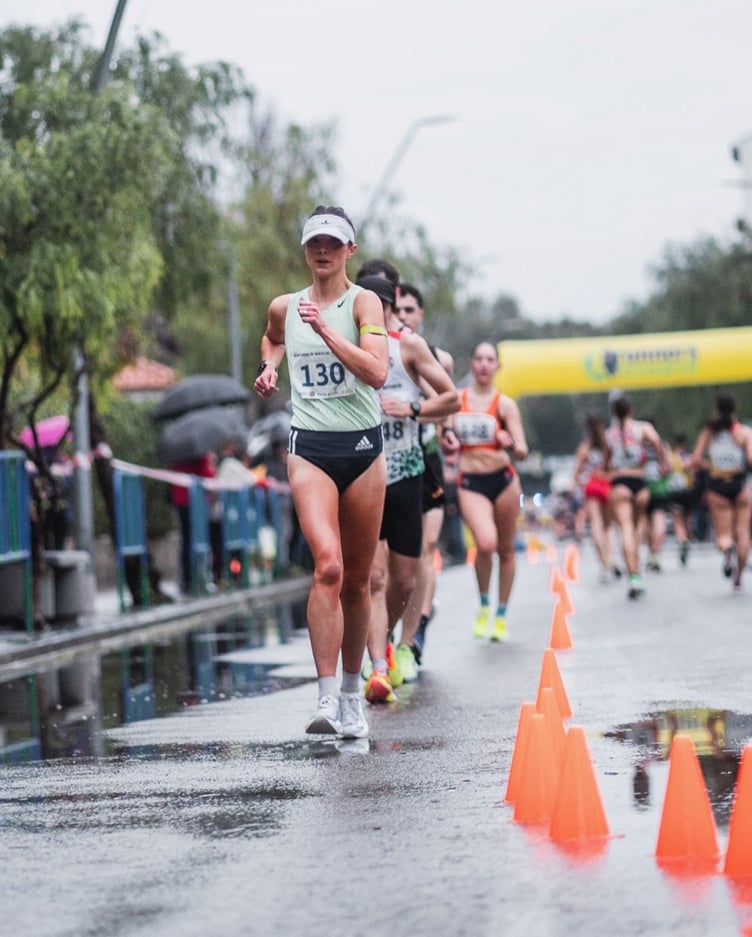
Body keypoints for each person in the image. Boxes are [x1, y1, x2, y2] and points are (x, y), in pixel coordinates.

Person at [254, 205, 389, 739]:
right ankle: (326, 698)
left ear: (350, 250)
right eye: (315, 242)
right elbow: (273, 338)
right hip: (309, 447)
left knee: (357, 580)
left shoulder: (364, 302)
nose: (323, 250)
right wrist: (269, 366)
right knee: (328, 566)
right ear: (305, 250)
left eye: (333, 242)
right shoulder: (285, 306)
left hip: (362, 448)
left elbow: (376, 372)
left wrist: (327, 331)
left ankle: (353, 694)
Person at [357, 274, 459, 702]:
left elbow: (451, 399)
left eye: (379, 305)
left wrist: (412, 408)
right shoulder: (348, 347)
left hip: (408, 473)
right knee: (374, 577)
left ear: (389, 306)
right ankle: (378, 665)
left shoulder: (409, 347)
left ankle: (393, 640)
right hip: (364, 472)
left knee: (403, 579)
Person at [443, 341, 528, 642]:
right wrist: (449, 442)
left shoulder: (505, 405)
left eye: (489, 359)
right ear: (471, 363)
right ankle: (483, 604)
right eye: (478, 358)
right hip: (470, 481)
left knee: (506, 549)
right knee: (486, 543)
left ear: (497, 366)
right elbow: (444, 436)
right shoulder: (457, 399)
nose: (483, 364)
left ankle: (501, 615)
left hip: (503, 480)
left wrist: (509, 442)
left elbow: (523, 451)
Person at [395, 282, 455, 667]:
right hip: (392, 458)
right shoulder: (380, 350)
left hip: (427, 456)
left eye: (409, 310)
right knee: (398, 556)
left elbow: (447, 403)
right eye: (397, 309)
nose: (402, 316)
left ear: (421, 314)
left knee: (425, 547)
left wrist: (446, 431)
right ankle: (395, 628)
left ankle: (418, 626)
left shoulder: (439, 358)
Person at [605, 391, 667, 600]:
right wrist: (662, 463)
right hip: (640, 483)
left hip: (620, 484)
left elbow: (606, 463)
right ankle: (638, 561)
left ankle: (633, 576)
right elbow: (657, 442)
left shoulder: (609, 435)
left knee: (625, 529)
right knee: (639, 525)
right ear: (631, 410)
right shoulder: (643, 428)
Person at [690, 391, 752, 590]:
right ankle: (738, 576)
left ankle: (728, 549)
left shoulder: (709, 432)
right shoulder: (744, 433)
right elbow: (751, 459)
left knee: (724, 535)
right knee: (743, 532)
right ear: (736, 408)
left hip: (717, 487)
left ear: (717, 409)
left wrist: (710, 465)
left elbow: (696, 460)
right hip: (739, 485)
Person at [573, 413, 617, 583]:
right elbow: (614, 468)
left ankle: (604, 564)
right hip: (607, 485)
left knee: (596, 525)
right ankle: (611, 558)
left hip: (591, 486)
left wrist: (582, 482)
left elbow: (577, 474)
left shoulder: (585, 448)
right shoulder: (608, 447)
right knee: (608, 526)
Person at [665, 434, 697, 566]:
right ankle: (687, 540)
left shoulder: (670, 457)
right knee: (687, 519)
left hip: (675, 492)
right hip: (688, 492)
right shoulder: (689, 457)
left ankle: (682, 539)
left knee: (678, 521)